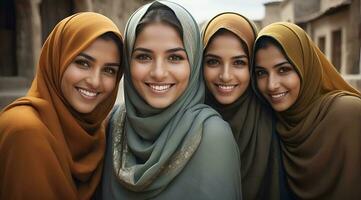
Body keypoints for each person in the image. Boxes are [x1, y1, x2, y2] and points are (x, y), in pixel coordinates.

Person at [102, 1, 241, 199]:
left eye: (175, 58)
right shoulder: (114, 123)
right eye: (143, 57)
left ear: (193, 62)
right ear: (127, 60)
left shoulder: (211, 136)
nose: (159, 73)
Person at [0, 12, 123, 199]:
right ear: (58, 60)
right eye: (83, 63)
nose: (95, 81)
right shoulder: (24, 130)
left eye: (109, 70)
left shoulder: (97, 132)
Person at [253, 22, 361, 199]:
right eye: (261, 73)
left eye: (284, 69)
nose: (272, 85)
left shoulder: (348, 113)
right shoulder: (274, 121)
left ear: (305, 66)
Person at [201, 12, 285, 200]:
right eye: (213, 61)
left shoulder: (274, 120)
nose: (225, 75)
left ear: (253, 66)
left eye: (239, 62)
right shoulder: (185, 122)